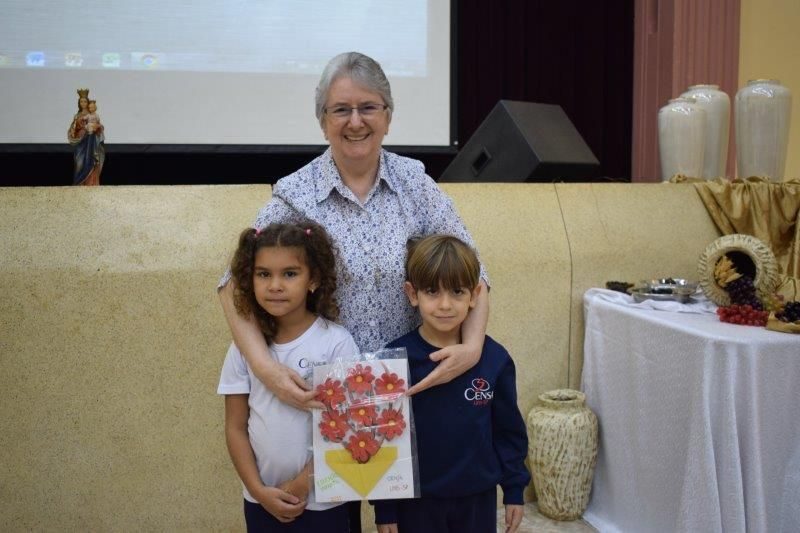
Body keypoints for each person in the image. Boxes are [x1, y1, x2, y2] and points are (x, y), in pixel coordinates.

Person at [218, 51, 491, 531]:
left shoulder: (415, 183)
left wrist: (471, 347)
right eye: (341, 109)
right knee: (336, 521)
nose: (355, 121)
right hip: (324, 402)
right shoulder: (296, 193)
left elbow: (477, 274)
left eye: (368, 107)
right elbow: (232, 286)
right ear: (322, 120)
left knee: (412, 521)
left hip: (411, 391)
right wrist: (265, 368)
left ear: (388, 115)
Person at [373, 235, 530, 533]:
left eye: (457, 291)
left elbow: (508, 431)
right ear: (412, 293)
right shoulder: (392, 362)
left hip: (478, 500)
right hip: (415, 504)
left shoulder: (494, 360)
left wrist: (514, 489)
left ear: (474, 295)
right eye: (432, 291)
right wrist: (386, 508)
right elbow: (384, 439)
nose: (445, 305)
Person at [218, 221, 357, 532]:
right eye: (263, 274)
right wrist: (257, 491)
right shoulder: (244, 348)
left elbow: (347, 426)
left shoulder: (336, 342)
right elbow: (235, 427)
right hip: (262, 502)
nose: (275, 285)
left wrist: (302, 484)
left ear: (313, 279)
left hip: (322, 501)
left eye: (290, 274)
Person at [68, 93, 105, 186]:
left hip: (90, 141)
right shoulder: (77, 115)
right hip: (80, 143)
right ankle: (80, 184)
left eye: (85, 101)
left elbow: (100, 127)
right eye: (81, 101)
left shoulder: (93, 115)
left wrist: (97, 127)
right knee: (79, 163)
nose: (83, 103)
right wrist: (76, 129)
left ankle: (91, 184)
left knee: (92, 161)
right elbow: (73, 130)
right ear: (79, 103)